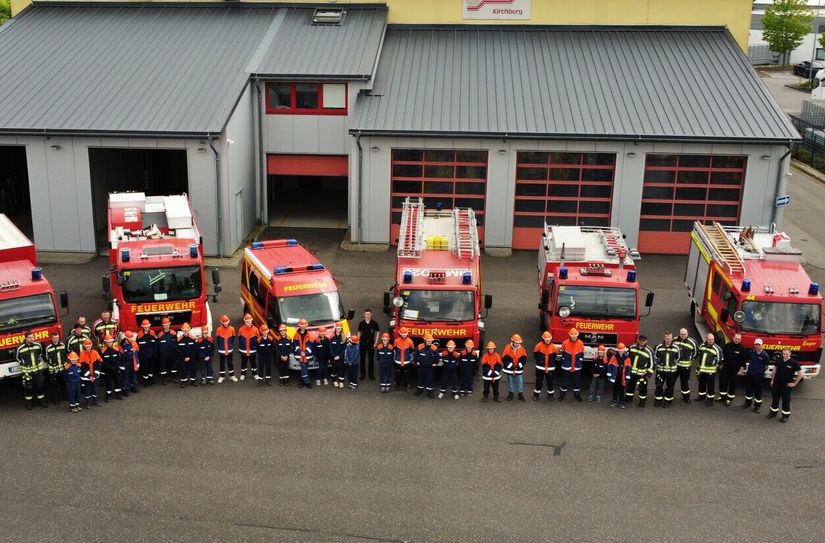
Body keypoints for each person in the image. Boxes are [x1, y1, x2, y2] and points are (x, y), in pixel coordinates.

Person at [767, 348, 803, 423]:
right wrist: (772, 380)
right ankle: (773, 413)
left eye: (786, 354)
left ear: (790, 354)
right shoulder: (779, 360)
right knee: (775, 400)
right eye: (783, 354)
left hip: (786, 386)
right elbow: (774, 370)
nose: (785, 355)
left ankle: (785, 416)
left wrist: (794, 383)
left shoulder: (794, 363)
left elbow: (801, 374)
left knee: (785, 401)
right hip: (776, 384)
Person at [15, 331, 48, 410]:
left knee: (40, 386)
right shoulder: (20, 348)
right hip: (27, 373)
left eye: (32, 337)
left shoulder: (38, 345)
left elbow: (40, 354)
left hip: (38, 371)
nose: (32, 339)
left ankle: (41, 400)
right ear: (25, 338)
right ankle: (29, 403)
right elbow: (16, 358)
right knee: (28, 388)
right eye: (30, 338)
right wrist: (23, 363)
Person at [625, 335, 654, 407]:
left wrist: (648, 374)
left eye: (643, 340)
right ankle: (629, 397)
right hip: (632, 372)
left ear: (646, 341)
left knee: (642, 388)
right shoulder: (632, 347)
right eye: (641, 340)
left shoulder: (649, 351)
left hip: (642, 374)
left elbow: (652, 363)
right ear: (638, 340)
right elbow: (626, 358)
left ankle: (642, 401)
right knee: (630, 385)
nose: (642, 342)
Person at [695, 332, 723, 407]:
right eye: (709, 339)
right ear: (706, 339)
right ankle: (701, 396)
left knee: (710, 386)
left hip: (711, 371)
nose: (711, 341)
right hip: (702, 370)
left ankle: (710, 399)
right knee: (701, 384)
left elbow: (720, 360)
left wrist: (714, 365)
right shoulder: (701, 346)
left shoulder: (717, 349)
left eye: (712, 339)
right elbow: (699, 355)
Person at [653, 332, 680, 408]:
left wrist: (672, 364)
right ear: (664, 338)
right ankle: (658, 400)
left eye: (670, 339)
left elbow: (678, 358)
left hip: (671, 372)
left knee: (670, 386)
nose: (668, 340)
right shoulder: (658, 347)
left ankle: (668, 400)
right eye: (667, 339)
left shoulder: (676, 348)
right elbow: (655, 357)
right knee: (659, 386)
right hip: (660, 371)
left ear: (672, 339)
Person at [742, 338, 770, 413]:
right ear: (754, 345)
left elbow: (766, 366)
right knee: (749, 390)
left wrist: (759, 371)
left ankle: (757, 406)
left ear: (762, 345)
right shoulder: (751, 352)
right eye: (756, 344)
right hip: (750, 375)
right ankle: (747, 403)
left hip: (759, 377)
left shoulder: (765, 355)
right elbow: (749, 360)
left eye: (759, 345)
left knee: (758, 392)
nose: (757, 346)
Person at [719, 333, 747, 406]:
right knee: (723, 383)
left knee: (732, 385)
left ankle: (729, 399)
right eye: (736, 338)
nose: (737, 340)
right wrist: (721, 365)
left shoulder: (742, 349)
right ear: (733, 338)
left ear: (740, 340)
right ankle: (722, 397)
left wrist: (741, 370)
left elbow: (743, 362)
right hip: (725, 368)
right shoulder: (728, 345)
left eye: (738, 339)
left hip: (735, 370)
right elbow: (723, 355)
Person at [673, 328, 698, 403]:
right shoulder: (674, 340)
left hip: (686, 367)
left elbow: (696, 352)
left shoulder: (692, 342)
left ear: (687, 334)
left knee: (684, 382)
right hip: (675, 366)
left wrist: (691, 359)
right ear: (679, 334)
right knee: (671, 381)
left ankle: (686, 397)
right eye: (682, 334)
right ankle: (669, 396)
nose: (683, 336)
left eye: (685, 334)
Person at [559, 328, 584, 401]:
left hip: (576, 366)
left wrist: (580, 361)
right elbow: (563, 353)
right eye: (573, 336)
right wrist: (564, 360)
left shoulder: (580, 343)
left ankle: (577, 395)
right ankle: (562, 396)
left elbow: (582, 354)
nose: (574, 337)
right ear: (570, 335)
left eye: (575, 336)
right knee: (564, 381)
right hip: (566, 365)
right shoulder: (565, 343)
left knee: (576, 382)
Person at [533, 331, 559, 401]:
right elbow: (536, 355)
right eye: (546, 340)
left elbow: (555, 356)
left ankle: (551, 395)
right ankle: (536, 394)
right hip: (540, 368)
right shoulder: (538, 346)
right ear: (543, 339)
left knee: (550, 382)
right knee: (539, 381)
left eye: (549, 340)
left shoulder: (553, 347)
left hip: (550, 368)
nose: (548, 341)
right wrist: (540, 362)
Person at [45, 331, 68, 405]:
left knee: (64, 383)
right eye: (54, 338)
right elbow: (46, 358)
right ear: (51, 338)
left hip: (62, 369)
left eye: (57, 338)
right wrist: (51, 363)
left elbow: (65, 354)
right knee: (55, 385)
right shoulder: (48, 347)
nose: (56, 339)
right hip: (53, 370)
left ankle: (65, 396)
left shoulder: (62, 345)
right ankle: (56, 399)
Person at [501, 334, 527, 401]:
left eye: (518, 343)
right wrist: (511, 366)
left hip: (518, 370)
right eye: (516, 343)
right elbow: (504, 359)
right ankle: (511, 394)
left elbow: (524, 360)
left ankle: (520, 394)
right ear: (512, 342)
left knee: (520, 382)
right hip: (510, 370)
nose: (517, 344)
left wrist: (519, 366)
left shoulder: (522, 350)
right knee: (510, 382)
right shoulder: (507, 349)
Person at [79, 338, 103, 407]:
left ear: (91, 345)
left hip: (95, 376)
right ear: (84, 346)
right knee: (87, 390)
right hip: (86, 377)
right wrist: (89, 375)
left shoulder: (95, 353)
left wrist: (95, 374)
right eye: (87, 347)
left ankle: (95, 401)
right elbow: (82, 367)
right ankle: (88, 403)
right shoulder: (82, 354)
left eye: (89, 346)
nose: (88, 348)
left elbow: (99, 363)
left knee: (95, 389)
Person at [100, 334, 124, 401]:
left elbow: (119, 359)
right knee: (108, 382)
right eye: (107, 342)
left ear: (112, 342)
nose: (109, 343)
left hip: (116, 368)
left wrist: (116, 366)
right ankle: (108, 395)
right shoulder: (103, 350)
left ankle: (118, 394)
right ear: (105, 342)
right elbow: (102, 361)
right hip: (108, 370)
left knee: (117, 381)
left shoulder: (116, 349)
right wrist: (109, 367)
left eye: (110, 342)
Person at [357, 309, 380, 380]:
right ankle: (362, 374)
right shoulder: (361, 323)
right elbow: (359, 332)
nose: (367, 315)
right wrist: (358, 341)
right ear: (364, 314)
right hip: (362, 343)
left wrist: (376, 342)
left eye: (369, 314)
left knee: (371, 359)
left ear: (371, 315)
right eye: (366, 314)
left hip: (371, 343)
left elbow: (378, 332)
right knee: (362, 359)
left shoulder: (374, 323)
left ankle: (371, 374)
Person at [607, 343, 632, 408]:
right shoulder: (614, 357)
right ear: (617, 350)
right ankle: (614, 400)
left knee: (621, 389)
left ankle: (621, 402)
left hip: (622, 377)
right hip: (615, 376)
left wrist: (627, 377)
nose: (620, 351)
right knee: (615, 389)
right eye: (619, 350)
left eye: (622, 350)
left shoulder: (627, 358)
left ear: (624, 350)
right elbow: (610, 365)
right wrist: (609, 374)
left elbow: (628, 368)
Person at [292, 319, 315, 388]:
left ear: (306, 326)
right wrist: (300, 352)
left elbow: (310, 345)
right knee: (304, 367)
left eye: (304, 326)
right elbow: (295, 345)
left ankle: (302, 381)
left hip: (306, 355)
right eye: (301, 326)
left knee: (304, 368)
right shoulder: (296, 334)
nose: (302, 327)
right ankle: (307, 382)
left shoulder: (309, 335)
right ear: (299, 326)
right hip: (300, 355)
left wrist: (305, 352)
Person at [414, 334, 438, 398]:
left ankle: (430, 392)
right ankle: (419, 390)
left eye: (430, 341)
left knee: (430, 379)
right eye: (428, 341)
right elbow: (415, 355)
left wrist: (435, 363)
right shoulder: (420, 346)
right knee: (420, 378)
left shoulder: (434, 348)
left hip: (430, 367)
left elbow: (437, 357)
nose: (429, 342)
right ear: (425, 340)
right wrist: (416, 361)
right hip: (421, 367)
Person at [237, 314, 260, 381]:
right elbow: (240, 338)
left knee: (253, 363)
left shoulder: (255, 329)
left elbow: (258, 339)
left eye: (249, 321)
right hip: (243, 350)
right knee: (243, 363)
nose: (248, 323)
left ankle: (255, 374)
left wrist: (255, 347)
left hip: (252, 350)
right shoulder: (241, 329)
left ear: (252, 321)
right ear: (244, 321)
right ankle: (243, 374)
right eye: (247, 321)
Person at [215, 315, 237, 383]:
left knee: (230, 363)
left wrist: (230, 346)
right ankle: (222, 376)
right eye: (224, 322)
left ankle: (232, 376)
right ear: (222, 322)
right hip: (222, 350)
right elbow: (218, 340)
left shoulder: (232, 329)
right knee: (222, 363)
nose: (226, 323)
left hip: (229, 350)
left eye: (227, 322)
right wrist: (221, 347)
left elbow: (233, 338)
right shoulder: (218, 329)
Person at [392, 327, 415, 392]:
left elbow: (412, 352)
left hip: (406, 362)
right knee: (397, 375)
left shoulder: (410, 341)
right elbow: (394, 351)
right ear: (400, 333)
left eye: (405, 334)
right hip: (398, 361)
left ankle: (407, 386)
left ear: (407, 334)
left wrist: (411, 360)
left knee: (407, 375)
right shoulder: (396, 341)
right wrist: (394, 360)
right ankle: (396, 386)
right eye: (402, 334)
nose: (403, 335)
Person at [176, 323, 198, 388]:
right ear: (182, 331)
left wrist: (190, 357)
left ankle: (193, 381)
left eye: (187, 330)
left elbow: (195, 349)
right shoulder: (179, 339)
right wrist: (184, 357)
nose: (185, 331)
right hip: (183, 358)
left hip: (191, 358)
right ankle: (183, 382)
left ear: (189, 330)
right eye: (184, 330)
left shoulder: (193, 338)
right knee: (183, 370)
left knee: (192, 369)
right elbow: (178, 350)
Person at [156, 318, 177, 385]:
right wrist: (160, 352)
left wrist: (175, 351)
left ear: (169, 324)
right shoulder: (160, 335)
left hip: (172, 353)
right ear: (162, 325)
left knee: (173, 366)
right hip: (163, 354)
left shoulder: (173, 333)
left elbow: (176, 343)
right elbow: (157, 345)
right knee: (163, 366)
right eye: (165, 325)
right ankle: (164, 379)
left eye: (167, 325)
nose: (166, 326)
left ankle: (174, 378)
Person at [136, 319, 157, 386]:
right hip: (143, 356)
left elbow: (155, 344)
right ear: (142, 327)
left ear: (149, 326)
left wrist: (155, 353)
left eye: (147, 326)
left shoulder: (152, 333)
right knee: (144, 369)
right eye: (145, 327)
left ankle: (151, 380)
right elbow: (137, 346)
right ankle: (145, 381)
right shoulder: (139, 334)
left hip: (151, 355)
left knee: (151, 368)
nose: (146, 328)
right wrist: (140, 355)